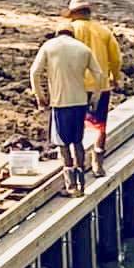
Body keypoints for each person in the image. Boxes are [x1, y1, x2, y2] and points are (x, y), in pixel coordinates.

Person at [30, 24, 102, 197]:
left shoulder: (49, 46)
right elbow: (99, 74)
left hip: (60, 103)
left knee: (63, 145)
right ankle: (81, 183)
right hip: (79, 102)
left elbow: (34, 72)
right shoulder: (83, 49)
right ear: (72, 34)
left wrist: (40, 97)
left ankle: (71, 186)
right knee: (77, 142)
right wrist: (94, 98)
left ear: (57, 33)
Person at [65, 0, 122, 177]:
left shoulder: (70, 31)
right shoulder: (103, 31)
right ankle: (97, 162)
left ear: (72, 14)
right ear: (89, 13)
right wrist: (114, 76)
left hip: (76, 85)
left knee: (76, 123)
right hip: (99, 84)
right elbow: (116, 58)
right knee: (99, 124)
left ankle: (77, 163)